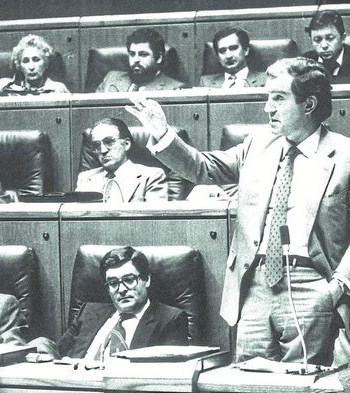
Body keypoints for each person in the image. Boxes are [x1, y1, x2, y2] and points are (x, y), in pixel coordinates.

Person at [127, 57, 350, 366]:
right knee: (247, 379)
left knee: (302, 381)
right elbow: (201, 168)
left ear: (309, 103)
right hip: (253, 282)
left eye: (278, 98)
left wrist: (337, 285)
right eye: (267, 97)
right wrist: (163, 133)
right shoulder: (257, 144)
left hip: (311, 284)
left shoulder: (344, 155)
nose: (267, 108)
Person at [33, 246, 188, 360]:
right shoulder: (88, 312)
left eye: (129, 280)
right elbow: (59, 352)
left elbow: (166, 375)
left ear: (146, 279)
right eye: (113, 283)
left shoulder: (170, 319)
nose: (121, 289)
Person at [75, 118, 168, 202]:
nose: (103, 150)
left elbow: (155, 219)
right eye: (96, 145)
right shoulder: (85, 178)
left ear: (126, 144)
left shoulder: (151, 176)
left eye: (109, 142)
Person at [96, 28, 185, 93]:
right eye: (132, 54)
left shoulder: (174, 89)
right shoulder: (111, 78)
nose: (136, 60)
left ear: (159, 58)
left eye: (143, 54)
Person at [0, 34, 70, 97]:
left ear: (46, 63)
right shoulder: (4, 86)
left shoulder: (58, 89)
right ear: (19, 66)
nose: (31, 67)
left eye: (36, 60)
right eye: (25, 61)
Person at [199, 27, 266, 88]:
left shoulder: (265, 80)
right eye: (222, 51)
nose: (228, 56)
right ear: (218, 56)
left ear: (246, 50)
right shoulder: (206, 83)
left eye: (233, 48)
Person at [304, 10, 350, 83]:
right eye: (317, 40)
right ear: (311, 40)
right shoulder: (304, 63)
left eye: (330, 38)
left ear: (343, 38)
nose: (324, 46)